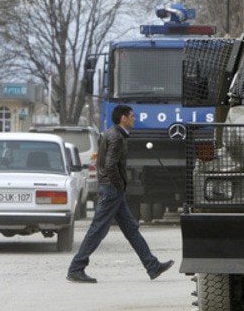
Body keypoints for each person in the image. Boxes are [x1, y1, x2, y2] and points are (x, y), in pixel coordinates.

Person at [67, 105, 174, 283]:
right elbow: (110, 165)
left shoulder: (113, 134)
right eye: (131, 116)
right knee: (97, 230)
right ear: (123, 118)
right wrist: (119, 185)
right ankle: (76, 268)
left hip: (112, 190)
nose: (134, 119)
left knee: (131, 229)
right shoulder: (116, 137)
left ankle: (152, 266)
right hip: (111, 190)